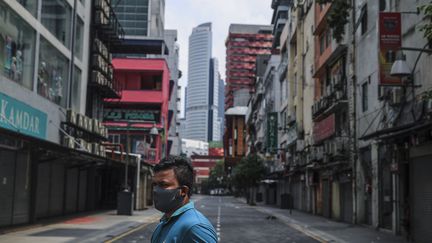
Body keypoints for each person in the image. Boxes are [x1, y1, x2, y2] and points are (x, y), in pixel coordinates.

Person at [151, 156, 218, 243]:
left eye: (163, 185)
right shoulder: (163, 223)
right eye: (154, 185)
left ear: (183, 191)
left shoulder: (196, 228)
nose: (156, 190)